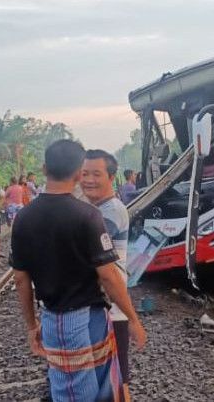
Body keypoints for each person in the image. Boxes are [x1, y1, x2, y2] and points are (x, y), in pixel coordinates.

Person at [11, 140, 146, 402]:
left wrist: (31, 325)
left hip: (59, 319)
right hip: (95, 314)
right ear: (76, 174)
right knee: (104, 385)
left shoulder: (23, 218)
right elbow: (108, 275)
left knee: (73, 391)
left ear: (43, 168)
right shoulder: (87, 215)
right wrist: (133, 318)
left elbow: (20, 279)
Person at [81, 149, 134, 399]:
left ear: (111, 177)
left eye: (96, 174)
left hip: (112, 307)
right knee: (113, 378)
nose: (88, 180)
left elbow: (89, 258)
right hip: (107, 306)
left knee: (116, 381)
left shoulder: (110, 212)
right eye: (84, 174)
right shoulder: (97, 210)